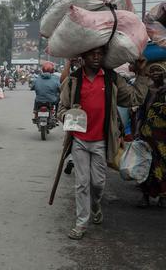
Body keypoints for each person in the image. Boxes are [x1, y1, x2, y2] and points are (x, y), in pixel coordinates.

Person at [57, 46, 148, 240]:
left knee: (97, 183)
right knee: (82, 183)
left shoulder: (112, 79)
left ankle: (96, 205)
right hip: (79, 140)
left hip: (102, 141)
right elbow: (61, 109)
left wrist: (141, 75)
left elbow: (135, 97)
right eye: (92, 53)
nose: (96, 57)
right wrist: (69, 115)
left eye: (100, 53)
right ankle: (81, 223)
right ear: (83, 56)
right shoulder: (73, 80)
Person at [135, 63, 166, 208]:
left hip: (163, 136)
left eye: (159, 71)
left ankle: (163, 196)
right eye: (153, 71)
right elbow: (141, 112)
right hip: (147, 133)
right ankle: (145, 196)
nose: (156, 73)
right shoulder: (147, 90)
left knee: (163, 165)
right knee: (146, 164)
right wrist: (137, 129)